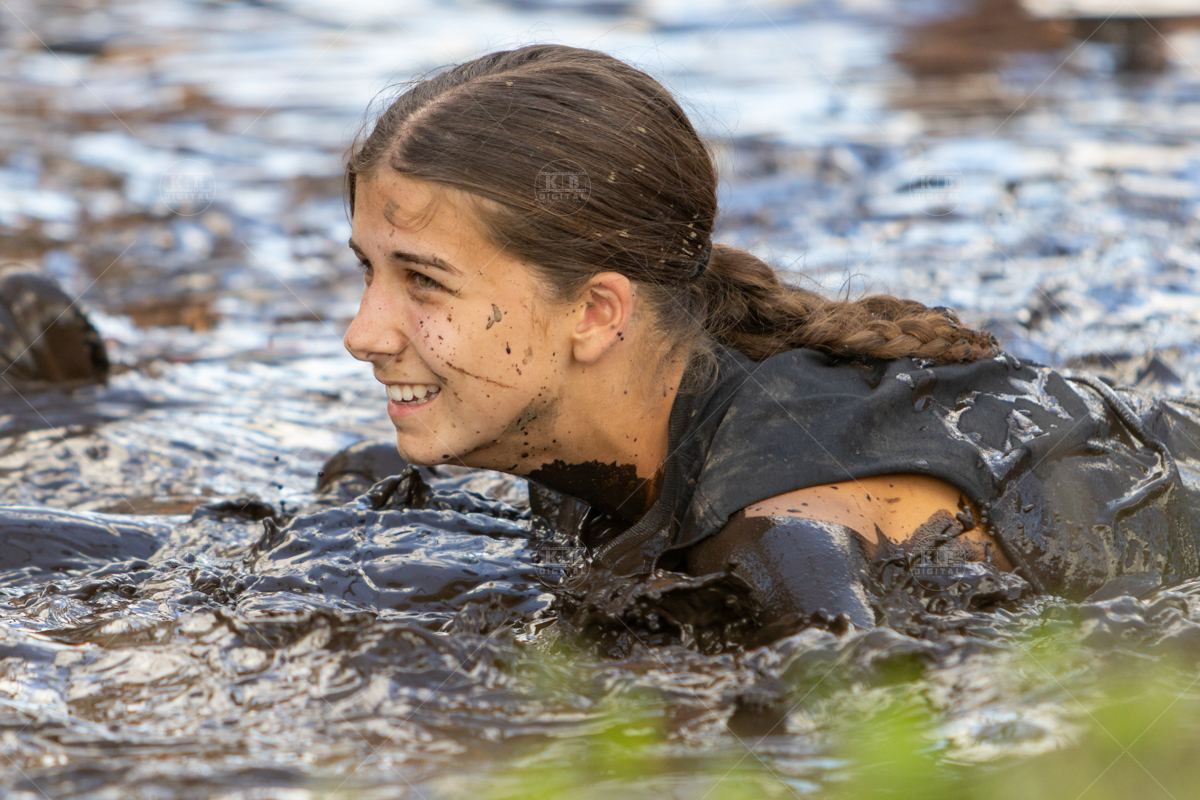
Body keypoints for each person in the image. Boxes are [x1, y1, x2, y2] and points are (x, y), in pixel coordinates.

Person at [342, 44, 1200, 629]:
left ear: (597, 313)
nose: (363, 333)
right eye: (367, 271)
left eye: (424, 281)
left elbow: (869, 746)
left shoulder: (786, 546)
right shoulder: (596, 443)